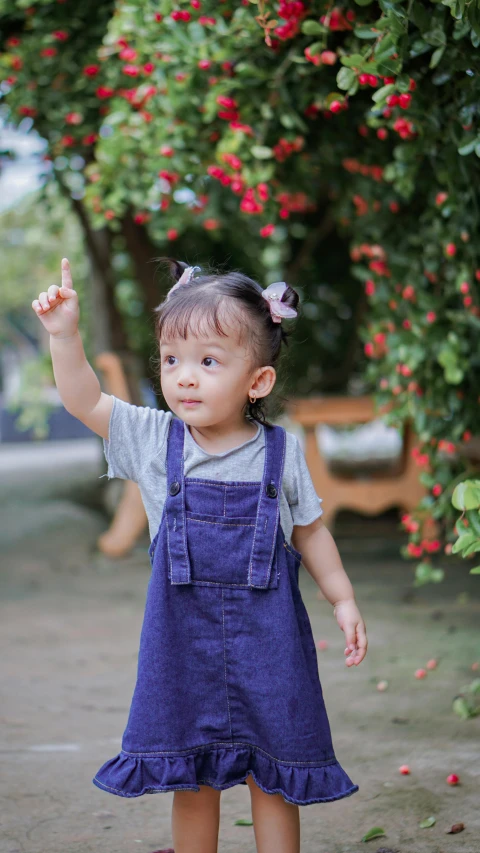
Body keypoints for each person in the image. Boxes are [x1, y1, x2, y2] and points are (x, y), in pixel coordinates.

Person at [32, 257, 368, 853]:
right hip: (180, 645)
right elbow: (85, 400)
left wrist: (341, 598)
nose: (184, 377)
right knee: (190, 774)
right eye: (171, 360)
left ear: (257, 382)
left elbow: (310, 530)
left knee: (275, 774)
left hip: (271, 645)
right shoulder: (154, 440)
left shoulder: (280, 453)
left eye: (208, 362)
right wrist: (65, 336)